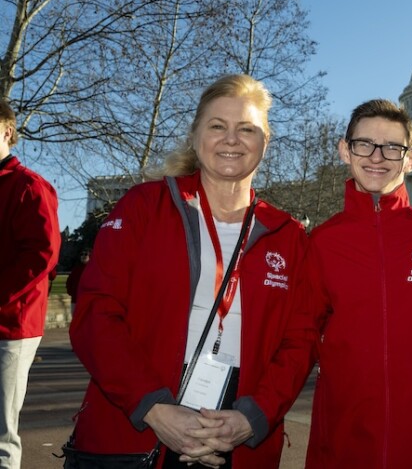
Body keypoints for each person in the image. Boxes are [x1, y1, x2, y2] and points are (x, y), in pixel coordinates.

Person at [69, 74, 313, 468]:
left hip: (238, 434)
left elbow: (299, 342)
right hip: (135, 432)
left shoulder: (288, 235)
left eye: (247, 129)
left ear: (265, 142)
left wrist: (252, 417)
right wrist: (154, 408)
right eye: (218, 126)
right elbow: (96, 314)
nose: (231, 139)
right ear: (196, 135)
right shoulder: (144, 207)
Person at [303, 99, 412, 468]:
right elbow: (300, 340)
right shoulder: (321, 243)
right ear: (345, 150)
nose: (377, 157)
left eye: (392, 147)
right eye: (364, 144)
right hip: (346, 443)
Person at [0, 98, 61, 469]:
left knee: (1, 434)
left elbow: (43, 255)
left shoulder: (29, 186)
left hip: (11, 326)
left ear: (7, 132)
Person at [66, 250, 90, 315]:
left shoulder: (92, 269)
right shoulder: (76, 269)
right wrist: (71, 292)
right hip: (75, 299)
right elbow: (69, 282)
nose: (83, 256)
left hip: (87, 301)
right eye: (82, 254)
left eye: (86, 254)